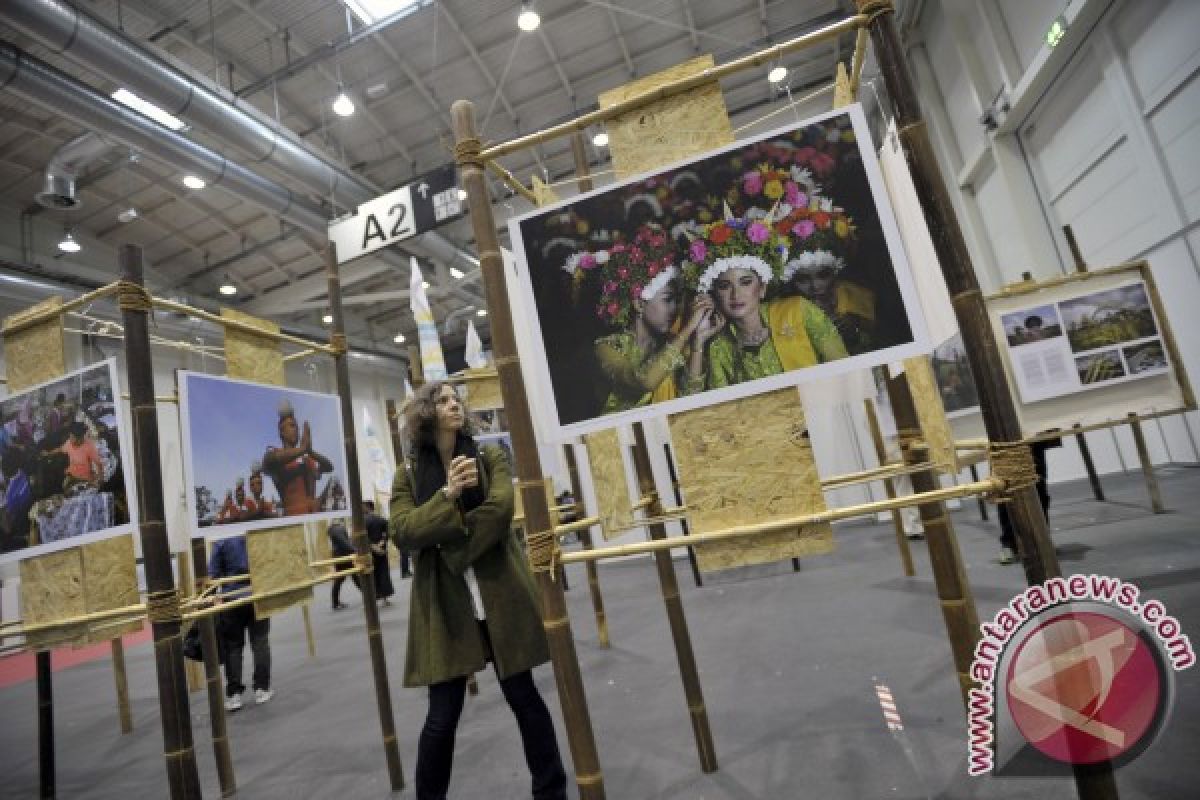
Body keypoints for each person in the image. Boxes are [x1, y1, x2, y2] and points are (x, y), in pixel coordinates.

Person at [390, 382, 567, 800]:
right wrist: (448, 496)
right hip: (446, 604)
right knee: (443, 714)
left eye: (457, 399)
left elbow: (500, 509)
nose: (455, 405)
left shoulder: (489, 456)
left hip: (498, 594)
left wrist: (448, 545)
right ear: (426, 414)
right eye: (444, 400)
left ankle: (551, 790)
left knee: (523, 696)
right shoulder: (409, 474)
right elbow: (402, 532)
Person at [576, 226, 723, 413]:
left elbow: (691, 400)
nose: (675, 309)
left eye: (677, 300)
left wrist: (698, 343)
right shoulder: (607, 348)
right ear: (639, 304)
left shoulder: (675, 344)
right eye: (668, 299)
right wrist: (687, 330)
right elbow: (645, 381)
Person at [691, 216, 847, 387]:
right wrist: (698, 342)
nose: (735, 294)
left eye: (745, 282)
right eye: (724, 286)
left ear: (763, 287)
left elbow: (845, 370)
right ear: (714, 294)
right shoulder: (719, 347)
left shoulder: (797, 311)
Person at [208, 535, 272, 710]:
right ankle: (261, 688)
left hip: (231, 598)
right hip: (257, 595)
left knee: (233, 647)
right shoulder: (254, 534)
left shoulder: (221, 538)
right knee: (260, 643)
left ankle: (234, 695)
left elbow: (213, 572)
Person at [262, 400, 334, 516]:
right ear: (281, 432)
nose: (296, 429)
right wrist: (302, 449)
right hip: (294, 518)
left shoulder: (307, 459)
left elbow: (329, 467)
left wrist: (310, 452)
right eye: (291, 426)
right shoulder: (275, 454)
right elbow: (267, 463)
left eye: (296, 426)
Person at [363, 500, 395, 604]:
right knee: (383, 572)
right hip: (382, 550)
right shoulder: (381, 519)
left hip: (369, 551)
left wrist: (372, 546)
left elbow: (363, 537)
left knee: (371, 574)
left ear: (367, 507)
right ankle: (385, 598)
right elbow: (388, 532)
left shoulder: (363, 521)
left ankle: (374, 598)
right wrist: (382, 542)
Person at [327, 519, 361, 610]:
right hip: (343, 556)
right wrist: (355, 550)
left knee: (347, 578)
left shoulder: (334, 529)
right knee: (352, 576)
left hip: (340, 556)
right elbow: (344, 543)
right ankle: (369, 595)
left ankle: (335, 602)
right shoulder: (338, 529)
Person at [58, 422, 103, 487]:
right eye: (70, 436)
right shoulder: (69, 443)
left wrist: (101, 479)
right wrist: (48, 453)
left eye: (73, 437)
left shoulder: (89, 446)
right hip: (72, 475)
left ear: (80, 438)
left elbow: (99, 464)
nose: (70, 439)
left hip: (85, 479)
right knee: (64, 486)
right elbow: (61, 449)